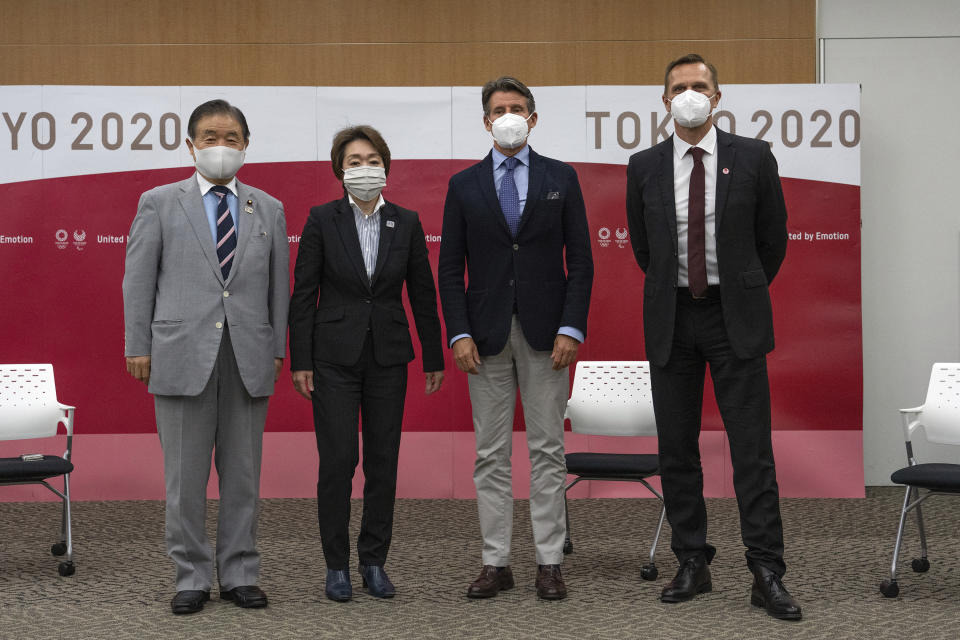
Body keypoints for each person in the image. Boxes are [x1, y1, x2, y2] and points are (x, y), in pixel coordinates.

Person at [625, 54, 800, 620]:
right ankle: (692, 561)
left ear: (717, 97)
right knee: (676, 450)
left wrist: (741, 290)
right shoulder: (644, 165)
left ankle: (766, 570)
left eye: (699, 86)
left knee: (752, 452)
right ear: (665, 100)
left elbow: (771, 239)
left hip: (734, 318)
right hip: (672, 319)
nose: (690, 95)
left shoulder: (754, 156)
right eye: (679, 87)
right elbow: (644, 249)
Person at [122, 99, 289, 614]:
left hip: (248, 357)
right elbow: (138, 280)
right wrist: (138, 345)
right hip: (178, 355)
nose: (222, 146)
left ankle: (240, 572)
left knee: (242, 476)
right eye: (211, 137)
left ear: (246, 146)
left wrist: (277, 348)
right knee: (184, 480)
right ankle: (190, 576)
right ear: (190, 144)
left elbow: (278, 288)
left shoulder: (270, 208)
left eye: (232, 137)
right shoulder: (158, 202)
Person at [438, 76, 594, 601]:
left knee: (549, 450)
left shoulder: (562, 178)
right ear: (486, 121)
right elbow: (448, 269)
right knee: (490, 454)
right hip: (482, 337)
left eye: (518, 108)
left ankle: (550, 561)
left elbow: (583, 263)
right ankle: (495, 561)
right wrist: (458, 333)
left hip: (550, 335)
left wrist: (572, 327)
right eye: (499, 108)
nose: (509, 115)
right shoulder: (463, 185)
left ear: (533, 117)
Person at [288, 125, 445, 602]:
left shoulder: (408, 221)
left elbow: (422, 293)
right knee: (338, 461)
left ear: (386, 167)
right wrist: (301, 358)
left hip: (388, 357)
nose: (363, 168)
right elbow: (303, 295)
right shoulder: (321, 219)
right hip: (331, 358)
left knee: (382, 462)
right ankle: (336, 566)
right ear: (340, 169)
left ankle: (373, 561)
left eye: (371, 159)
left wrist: (433, 355)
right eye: (353, 160)